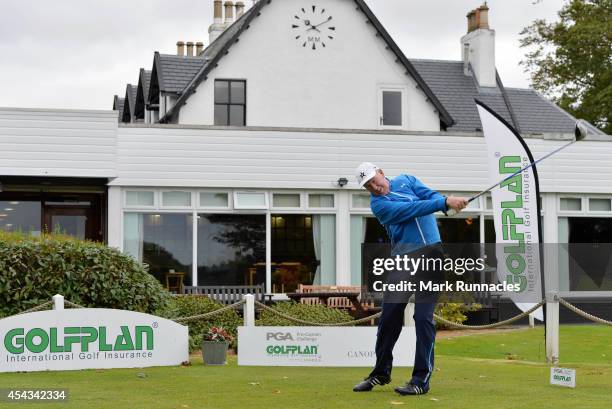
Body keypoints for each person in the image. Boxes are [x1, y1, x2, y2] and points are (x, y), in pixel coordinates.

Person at [352, 162, 468, 396]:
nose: (375, 187)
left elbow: (429, 195)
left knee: (423, 318)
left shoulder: (408, 179)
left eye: (375, 180)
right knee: (389, 318)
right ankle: (380, 373)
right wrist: (445, 202)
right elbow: (415, 208)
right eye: (369, 186)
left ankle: (420, 381)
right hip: (403, 261)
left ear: (382, 172)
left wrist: (446, 200)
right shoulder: (380, 206)